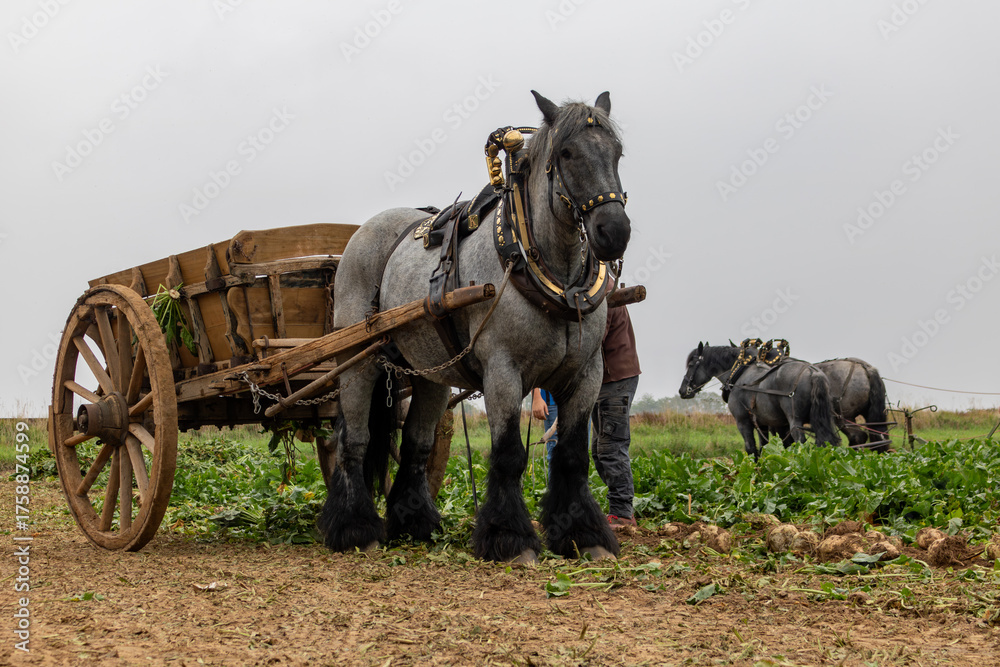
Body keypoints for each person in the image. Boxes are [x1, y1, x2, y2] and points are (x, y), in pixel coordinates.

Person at [592, 303, 641, 529]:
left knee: (611, 447)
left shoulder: (602, 291)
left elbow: (592, 340)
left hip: (615, 379)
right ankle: (621, 505)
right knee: (597, 450)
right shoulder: (596, 288)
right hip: (603, 381)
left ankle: (622, 513)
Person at [531, 388, 558, 467]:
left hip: (581, 400)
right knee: (556, 456)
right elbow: (532, 375)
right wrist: (536, 397)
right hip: (553, 402)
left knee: (580, 454)